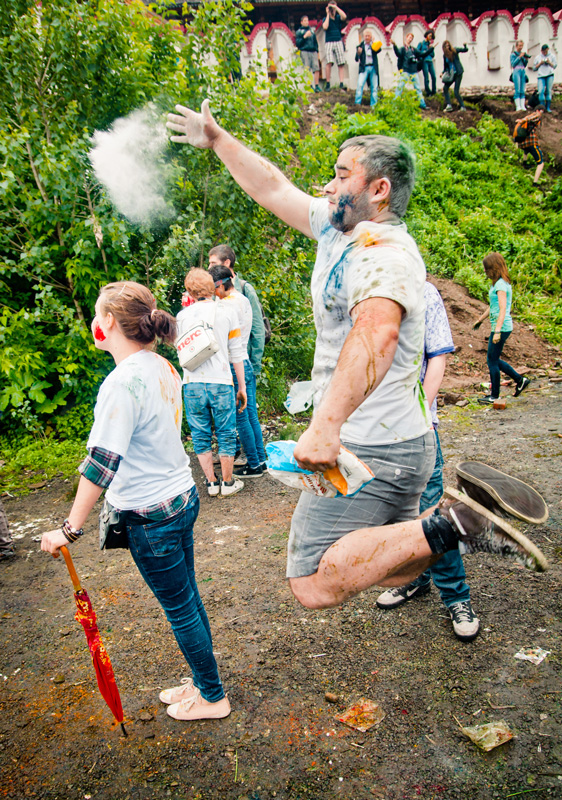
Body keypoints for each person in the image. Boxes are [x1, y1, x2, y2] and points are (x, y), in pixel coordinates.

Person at [167, 100, 547, 611]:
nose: (329, 184)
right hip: (403, 443)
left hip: (372, 443)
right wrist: (217, 139)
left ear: (378, 190)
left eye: (342, 174)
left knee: (311, 579)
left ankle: (461, 519)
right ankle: (461, 519)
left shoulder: (384, 253)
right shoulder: (338, 226)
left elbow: (377, 335)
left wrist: (325, 424)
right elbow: (273, 186)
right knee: (401, 562)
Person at [40, 281, 230, 721]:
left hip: (152, 518)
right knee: (189, 599)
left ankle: (213, 696)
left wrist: (69, 529)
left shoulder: (122, 382)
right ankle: (203, 681)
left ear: (107, 323)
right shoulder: (162, 366)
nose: (93, 321)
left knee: (181, 609)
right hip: (180, 500)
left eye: (96, 313)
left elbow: (101, 463)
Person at [376, 283, 480, 642]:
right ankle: (415, 578)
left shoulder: (423, 293)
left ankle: (456, 596)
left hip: (416, 428)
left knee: (431, 512)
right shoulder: (356, 290)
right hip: (373, 432)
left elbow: (437, 356)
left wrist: (420, 410)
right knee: (396, 515)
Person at [177, 268, 247, 498]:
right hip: (221, 382)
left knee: (200, 434)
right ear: (212, 287)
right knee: (226, 432)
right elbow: (236, 353)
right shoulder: (226, 312)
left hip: (193, 383)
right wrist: (242, 387)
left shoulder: (182, 316)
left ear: (189, 291)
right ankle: (227, 483)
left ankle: (210, 482)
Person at [209, 264, 267, 479]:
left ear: (221, 285)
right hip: (245, 361)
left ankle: (253, 464)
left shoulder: (227, 306)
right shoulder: (241, 300)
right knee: (251, 414)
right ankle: (260, 460)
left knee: (241, 417)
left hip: (235, 364)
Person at [473, 253, 530, 405]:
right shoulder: (498, 283)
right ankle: (520, 380)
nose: (485, 271)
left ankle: (495, 395)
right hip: (499, 326)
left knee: (491, 361)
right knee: (494, 359)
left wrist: (497, 331)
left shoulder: (500, 285)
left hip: (502, 327)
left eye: (486, 268)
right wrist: (480, 320)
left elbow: (503, 308)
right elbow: (493, 306)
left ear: (493, 267)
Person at [208, 244, 266, 378]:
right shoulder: (212, 289)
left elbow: (258, 330)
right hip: (218, 364)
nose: (209, 267)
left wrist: (255, 367)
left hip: (241, 360)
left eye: (213, 263)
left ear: (227, 263)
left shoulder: (245, 289)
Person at [391, 32, 426, 109]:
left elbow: (421, 54)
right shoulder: (403, 49)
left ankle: (422, 104)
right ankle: (395, 103)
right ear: (406, 37)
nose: (410, 39)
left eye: (411, 38)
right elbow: (398, 54)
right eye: (409, 37)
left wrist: (430, 49)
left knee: (418, 88)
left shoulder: (413, 49)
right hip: (406, 70)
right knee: (400, 87)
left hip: (414, 71)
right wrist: (394, 45)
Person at [514, 106, 545, 184]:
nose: (542, 113)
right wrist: (522, 120)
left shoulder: (529, 116)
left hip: (524, 142)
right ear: (537, 110)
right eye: (541, 111)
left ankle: (524, 163)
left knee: (526, 150)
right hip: (532, 142)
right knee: (541, 163)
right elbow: (535, 116)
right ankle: (535, 182)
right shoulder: (535, 115)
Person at [322, 2, 347, 91]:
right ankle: (328, 83)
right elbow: (325, 27)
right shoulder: (325, 18)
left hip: (338, 40)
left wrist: (336, 8)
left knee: (341, 63)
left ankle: (341, 82)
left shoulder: (337, 18)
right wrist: (328, 14)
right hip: (329, 41)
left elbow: (344, 17)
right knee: (329, 62)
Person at [354, 29, 381, 108]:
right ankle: (357, 103)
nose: (367, 37)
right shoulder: (360, 46)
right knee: (360, 84)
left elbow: (379, 50)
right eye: (365, 36)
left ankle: (374, 105)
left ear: (371, 37)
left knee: (374, 87)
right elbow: (356, 59)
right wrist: (358, 53)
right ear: (363, 36)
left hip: (373, 67)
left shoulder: (373, 45)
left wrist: (373, 42)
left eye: (368, 36)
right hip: (364, 67)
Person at [296, 15, 321, 93]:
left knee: (316, 68)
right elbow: (298, 43)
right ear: (301, 22)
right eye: (305, 21)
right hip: (305, 51)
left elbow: (315, 41)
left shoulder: (311, 31)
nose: (307, 22)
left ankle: (316, 85)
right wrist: (304, 36)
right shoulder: (299, 32)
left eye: (307, 20)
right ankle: (309, 85)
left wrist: (316, 50)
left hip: (313, 51)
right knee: (307, 69)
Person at [441, 40, 468, 112]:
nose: (447, 47)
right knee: (445, 88)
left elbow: (465, 50)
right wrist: (442, 72)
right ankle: (449, 105)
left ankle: (463, 107)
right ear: (444, 48)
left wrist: (465, 45)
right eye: (446, 46)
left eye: (448, 45)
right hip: (451, 74)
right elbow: (445, 66)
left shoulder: (454, 51)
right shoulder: (445, 56)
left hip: (458, 73)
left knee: (456, 91)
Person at [532, 44, 557, 113]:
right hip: (541, 76)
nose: (545, 53)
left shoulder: (552, 56)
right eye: (543, 52)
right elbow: (534, 68)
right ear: (541, 51)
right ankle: (542, 107)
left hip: (549, 75)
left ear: (548, 50)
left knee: (548, 91)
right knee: (541, 91)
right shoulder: (538, 57)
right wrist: (540, 63)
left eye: (546, 51)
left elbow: (554, 66)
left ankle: (548, 107)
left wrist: (549, 62)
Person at [511, 40, 530, 111]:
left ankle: (522, 105)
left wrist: (526, 59)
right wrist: (519, 57)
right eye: (519, 46)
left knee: (522, 89)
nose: (521, 47)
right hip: (516, 71)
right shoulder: (513, 54)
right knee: (517, 89)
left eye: (522, 46)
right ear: (516, 46)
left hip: (522, 71)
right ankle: (517, 106)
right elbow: (513, 64)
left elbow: (524, 65)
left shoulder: (522, 54)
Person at [418, 29, 437, 96]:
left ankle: (434, 91)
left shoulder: (430, 45)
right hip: (424, 62)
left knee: (434, 76)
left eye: (431, 36)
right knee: (426, 77)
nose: (430, 37)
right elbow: (418, 53)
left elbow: (432, 55)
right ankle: (428, 91)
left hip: (430, 61)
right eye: (430, 35)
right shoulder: (421, 44)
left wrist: (430, 49)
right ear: (426, 35)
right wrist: (423, 54)